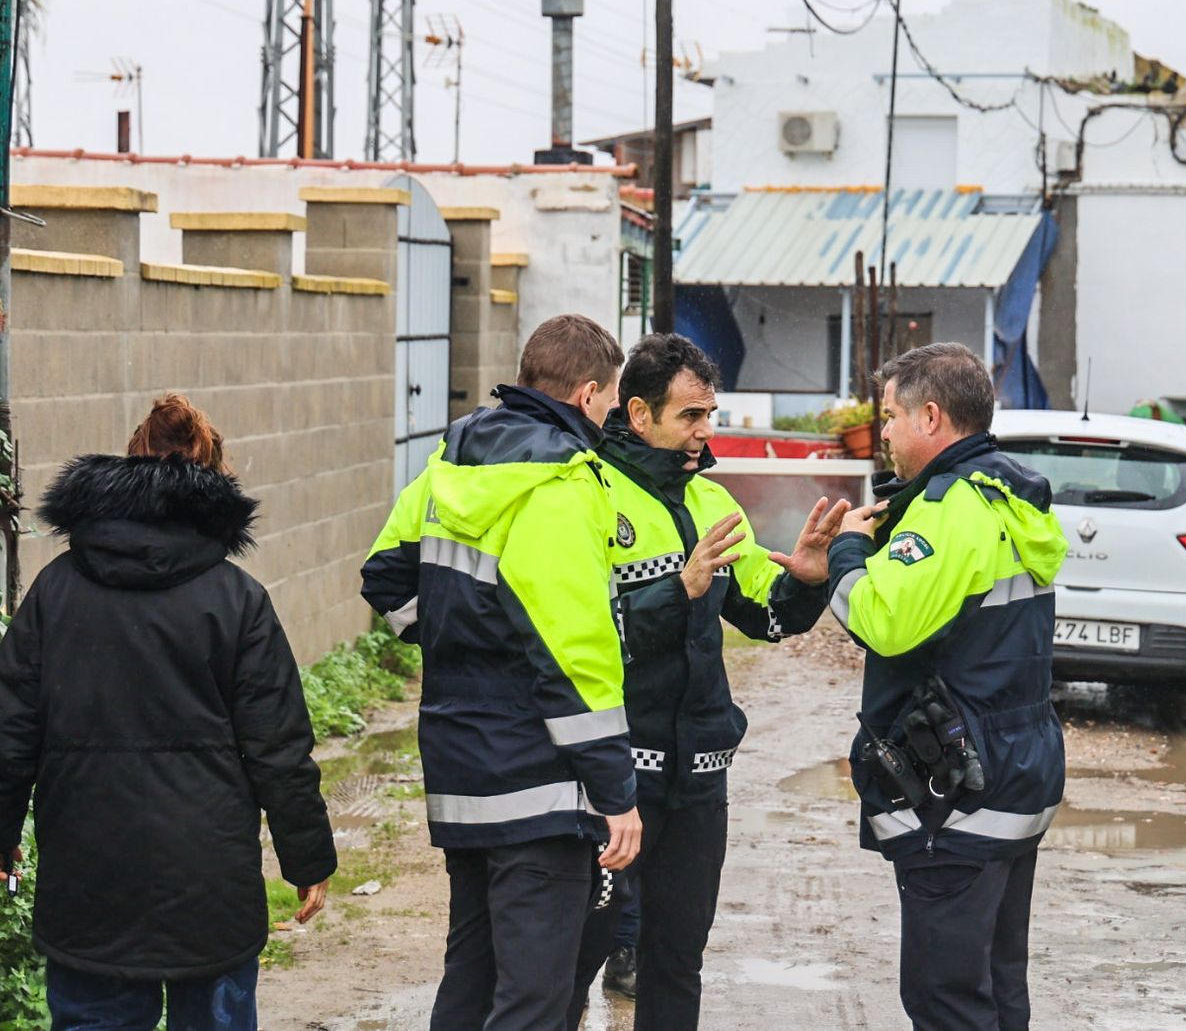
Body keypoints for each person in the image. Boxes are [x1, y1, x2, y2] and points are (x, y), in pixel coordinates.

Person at [0, 393, 336, 1031]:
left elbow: (10, 724)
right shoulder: (238, 599)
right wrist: (307, 859)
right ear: (214, 482)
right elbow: (278, 746)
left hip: (88, 871)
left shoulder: (54, 591)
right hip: (210, 879)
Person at [361, 314, 643, 1031]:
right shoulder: (563, 483)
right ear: (587, 394)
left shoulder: (452, 462)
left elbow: (384, 578)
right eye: (610, 399)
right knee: (536, 999)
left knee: (472, 979)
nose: (612, 415)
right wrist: (616, 790)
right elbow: (575, 654)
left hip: (460, 771)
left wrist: (459, 640)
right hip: (538, 780)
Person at [567, 333, 849, 1030]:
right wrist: (679, 588)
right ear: (639, 413)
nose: (706, 430)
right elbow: (576, 636)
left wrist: (806, 583)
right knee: (574, 956)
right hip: (614, 779)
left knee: (676, 958)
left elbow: (766, 617)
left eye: (711, 413)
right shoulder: (588, 496)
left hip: (698, 781)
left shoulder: (714, 501)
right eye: (691, 415)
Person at [826, 344, 1068, 1031]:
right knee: (995, 988)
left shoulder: (948, 507)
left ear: (930, 416)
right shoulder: (1006, 496)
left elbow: (884, 621)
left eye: (892, 418)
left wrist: (846, 553)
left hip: (955, 794)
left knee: (946, 1000)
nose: (887, 435)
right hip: (1013, 771)